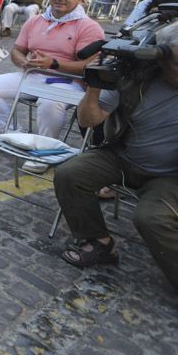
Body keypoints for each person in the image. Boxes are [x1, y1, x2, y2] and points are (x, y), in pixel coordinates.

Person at [53, 21, 178, 292]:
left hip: (168, 176)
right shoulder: (136, 78)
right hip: (125, 156)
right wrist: (94, 87)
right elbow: (88, 121)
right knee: (70, 174)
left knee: (150, 217)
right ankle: (99, 242)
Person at [0, 0, 104, 141]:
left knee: (49, 102)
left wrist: (54, 64)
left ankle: (45, 149)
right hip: (33, 75)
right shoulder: (36, 20)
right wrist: (23, 62)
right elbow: (17, 50)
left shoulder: (88, 26)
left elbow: (88, 66)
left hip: (70, 82)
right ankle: (15, 135)